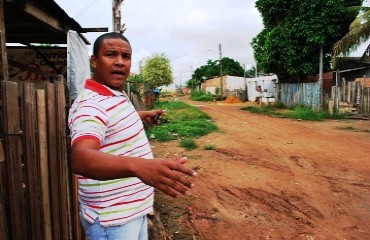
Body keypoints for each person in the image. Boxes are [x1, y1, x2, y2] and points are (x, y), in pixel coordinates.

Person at [68, 32, 197, 240]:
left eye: (125, 56)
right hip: (113, 221)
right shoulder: (90, 105)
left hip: (131, 211)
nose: (119, 62)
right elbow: (81, 157)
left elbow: (112, 120)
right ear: (94, 61)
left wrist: (142, 115)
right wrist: (138, 165)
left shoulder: (112, 92)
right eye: (110, 54)